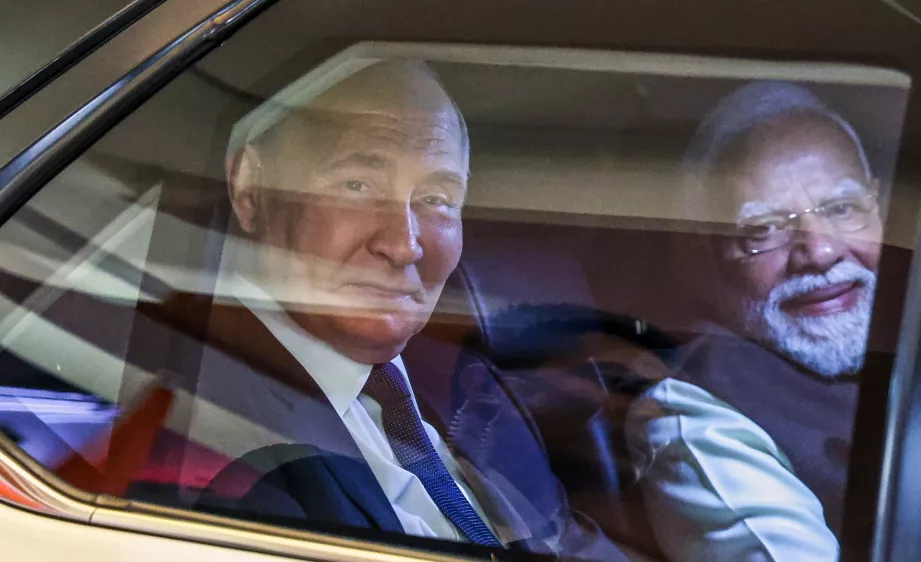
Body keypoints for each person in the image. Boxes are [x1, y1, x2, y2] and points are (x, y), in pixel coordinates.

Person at [147, 58, 627, 560]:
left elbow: (566, 540)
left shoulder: (466, 381)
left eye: (436, 198)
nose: (404, 244)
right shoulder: (216, 455)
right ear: (250, 190)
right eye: (357, 185)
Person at [626, 81, 884, 561]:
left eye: (842, 208)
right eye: (763, 229)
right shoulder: (695, 418)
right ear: (699, 258)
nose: (820, 250)